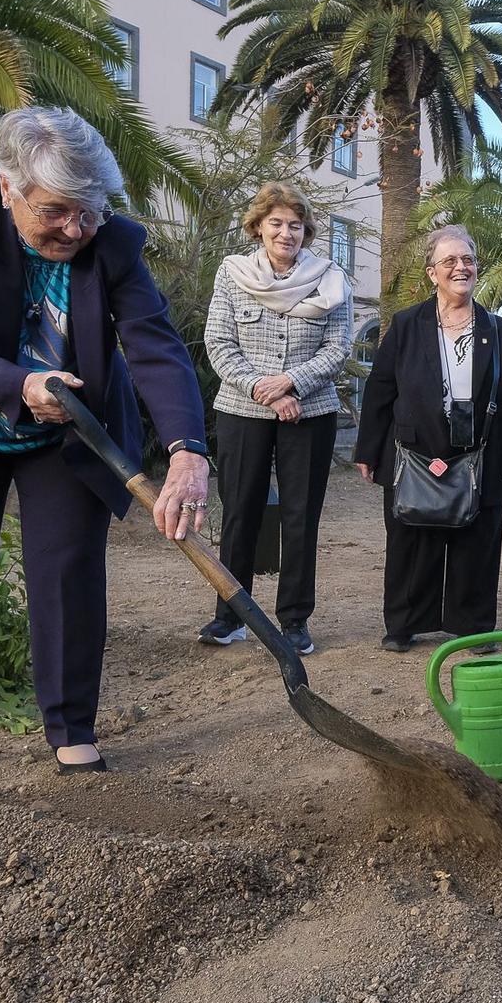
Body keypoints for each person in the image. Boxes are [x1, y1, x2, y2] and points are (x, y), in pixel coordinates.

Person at [0, 107, 210, 777]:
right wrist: (22, 384)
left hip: (68, 429)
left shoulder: (114, 242)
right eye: (56, 211)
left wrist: (187, 449)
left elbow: (154, 346)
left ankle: (70, 728)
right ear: (8, 187)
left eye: (88, 211)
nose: (76, 228)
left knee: (68, 573)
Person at [356, 226, 502, 651]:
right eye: (450, 261)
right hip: (413, 452)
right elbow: (381, 389)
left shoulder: (500, 330)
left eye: (468, 259)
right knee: (409, 540)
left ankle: (472, 626)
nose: (461, 267)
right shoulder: (405, 325)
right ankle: (403, 625)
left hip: (484, 450)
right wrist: (368, 450)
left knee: (478, 542)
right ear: (431, 272)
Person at [198, 182, 351, 656]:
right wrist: (265, 391)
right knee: (239, 513)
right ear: (259, 226)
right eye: (277, 223)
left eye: (296, 225)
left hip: (310, 411)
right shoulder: (232, 272)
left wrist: (291, 383)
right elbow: (219, 342)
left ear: (306, 231)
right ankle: (231, 615)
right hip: (243, 411)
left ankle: (294, 620)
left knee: (300, 516)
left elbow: (340, 347)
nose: (286, 233)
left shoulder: (331, 277)